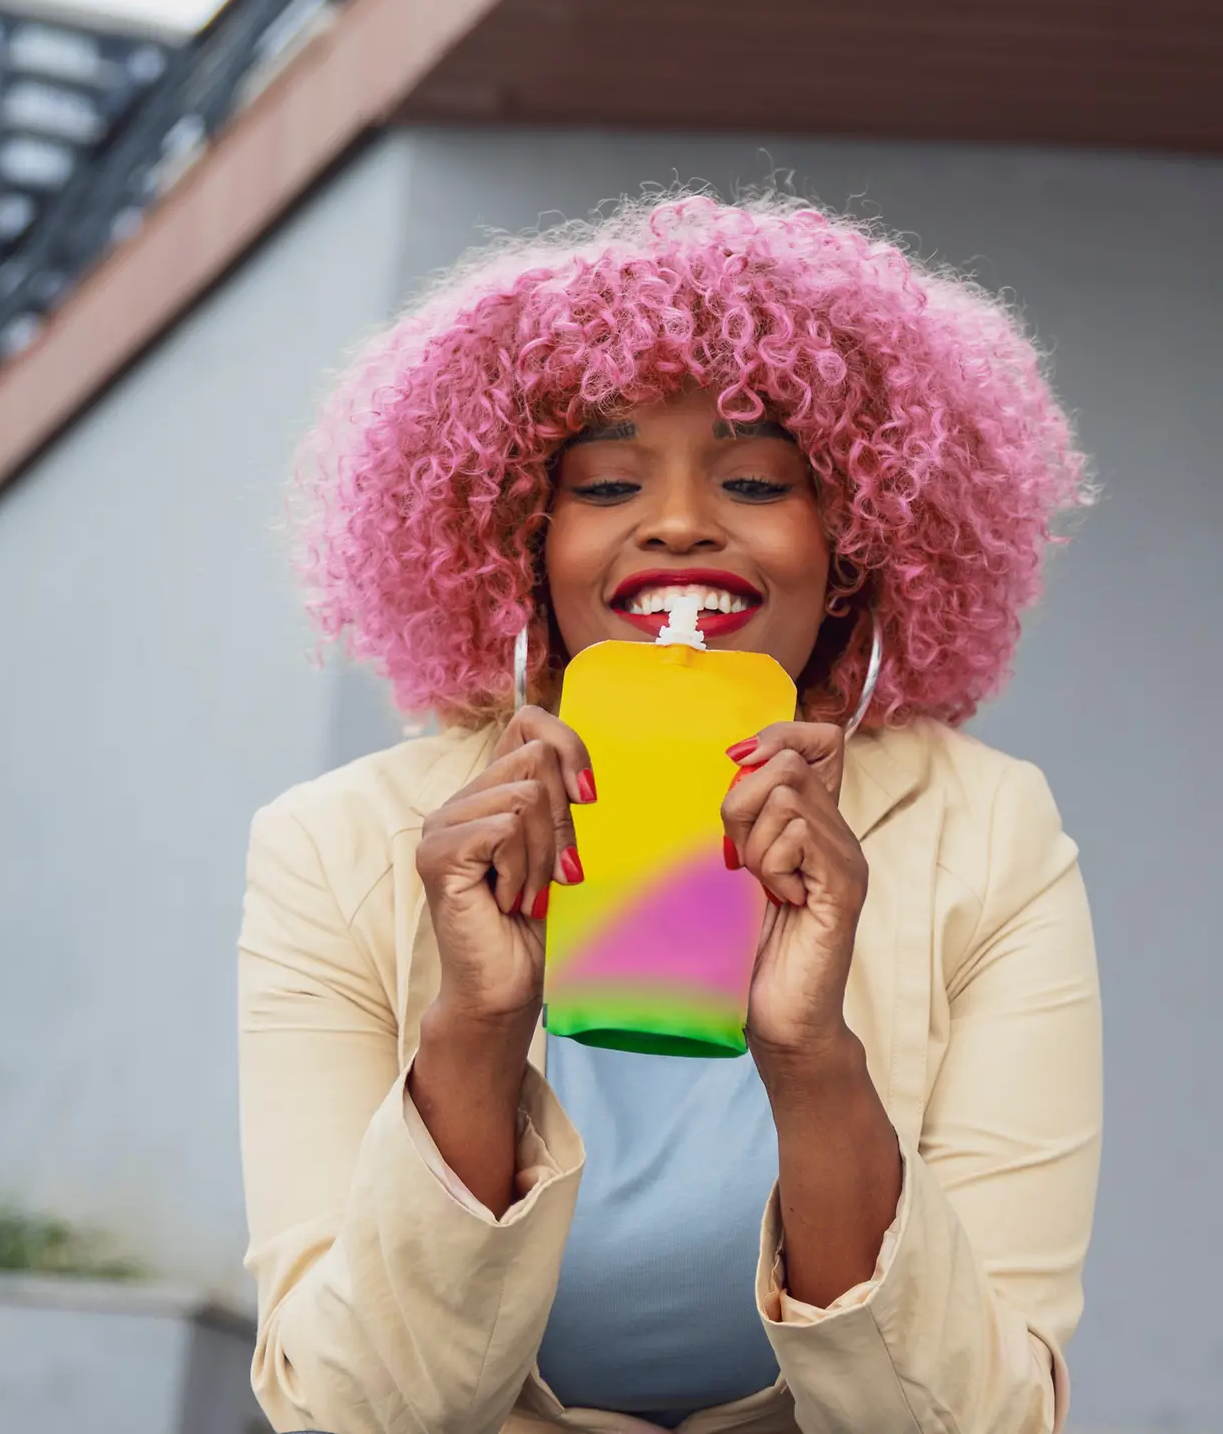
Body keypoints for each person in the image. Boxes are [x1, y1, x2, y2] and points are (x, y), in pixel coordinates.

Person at [238, 193, 1103, 1434]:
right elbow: (347, 1414)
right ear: (519, 543)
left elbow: (984, 1419)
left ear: (854, 543)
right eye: (603, 483)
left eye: (755, 476)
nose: (683, 520)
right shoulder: (331, 847)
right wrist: (474, 1032)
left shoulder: (992, 831)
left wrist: (813, 1062)